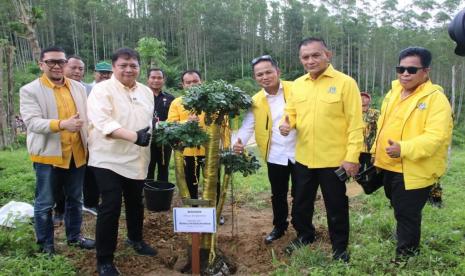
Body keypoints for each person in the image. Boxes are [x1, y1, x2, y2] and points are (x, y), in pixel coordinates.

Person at [279, 37, 364, 262]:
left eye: (316, 55)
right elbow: (291, 113)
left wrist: (352, 157)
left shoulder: (346, 83)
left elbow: (356, 124)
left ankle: (339, 247)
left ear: (328, 55)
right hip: (304, 158)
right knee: (300, 204)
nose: (311, 60)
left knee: (336, 206)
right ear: (300, 60)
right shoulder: (298, 84)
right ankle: (305, 235)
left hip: (334, 160)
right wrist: (287, 124)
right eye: (305, 57)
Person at [372, 47, 452, 262]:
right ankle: (405, 240)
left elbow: (436, 138)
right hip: (387, 166)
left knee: (408, 214)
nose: (405, 73)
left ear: (426, 71)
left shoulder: (436, 100)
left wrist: (404, 148)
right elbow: (383, 125)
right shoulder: (393, 92)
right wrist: (374, 152)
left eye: (411, 69)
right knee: (399, 208)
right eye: (401, 68)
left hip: (412, 169)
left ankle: (406, 256)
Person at [19, 46, 95, 255]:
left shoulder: (78, 88)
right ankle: (46, 245)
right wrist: (62, 124)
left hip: (77, 154)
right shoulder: (30, 90)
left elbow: (87, 118)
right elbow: (33, 122)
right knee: (45, 202)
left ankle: (74, 237)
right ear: (41, 64)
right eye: (51, 61)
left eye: (61, 61)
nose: (56, 66)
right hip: (49, 155)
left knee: (75, 198)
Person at [87, 48, 155, 276]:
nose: (128, 69)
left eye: (133, 65)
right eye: (123, 65)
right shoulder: (101, 90)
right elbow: (102, 121)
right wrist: (135, 136)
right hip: (107, 157)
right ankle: (104, 258)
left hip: (136, 158)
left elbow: (149, 124)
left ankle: (135, 239)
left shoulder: (146, 92)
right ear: (114, 67)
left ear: (139, 68)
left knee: (136, 202)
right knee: (111, 204)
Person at [233, 55, 297, 244]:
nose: (265, 77)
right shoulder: (256, 100)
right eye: (259, 74)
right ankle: (280, 226)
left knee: (301, 193)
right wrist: (239, 142)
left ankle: (303, 228)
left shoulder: (297, 89)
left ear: (278, 71)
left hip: (300, 151)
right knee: (278, 193)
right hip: (275, 153)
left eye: (269, 72)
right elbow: (247, 125)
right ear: (255, 78)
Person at [167, 70, 206, 201]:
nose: (192, 85)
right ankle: (193, 211)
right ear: (182, 85)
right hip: (187, 150)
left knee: (212, 182)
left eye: (195, 81)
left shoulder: (212, 102)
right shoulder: (177, 103)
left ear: (202, 82)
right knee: (190, 182)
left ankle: (213, 211)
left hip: (209, 149)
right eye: (188, 82)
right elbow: (171, 125)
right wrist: (186, 122)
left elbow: (223, 126)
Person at [146, 68, 175, 181]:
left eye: (159, 78)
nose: (156, 80)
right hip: (146, 138)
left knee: (164, 167)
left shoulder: (170, 98)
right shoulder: (141, 96)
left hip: (164, 139)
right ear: (148, 79)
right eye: (153, 77)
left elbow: (174, 119)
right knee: (148, 167)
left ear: (163, 80)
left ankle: (162, 193)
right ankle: (148, 194)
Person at [359, 92, 380, 170]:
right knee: (357, 171)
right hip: (357, 148)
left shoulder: (375, 113)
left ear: (369, 100)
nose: (363, 99)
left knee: (370, 170)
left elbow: (380, 127)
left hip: (370, 148)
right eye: (361, 97)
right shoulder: (354, 113)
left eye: (365, 97)